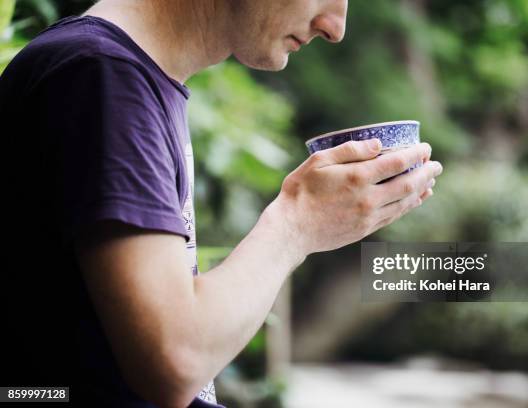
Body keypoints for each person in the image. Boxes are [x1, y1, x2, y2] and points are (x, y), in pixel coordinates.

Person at [0, 0, 442, 406]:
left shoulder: (127, 78)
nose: (335, 27)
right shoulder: (102, 79)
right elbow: (176, 360)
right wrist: (295, 225)